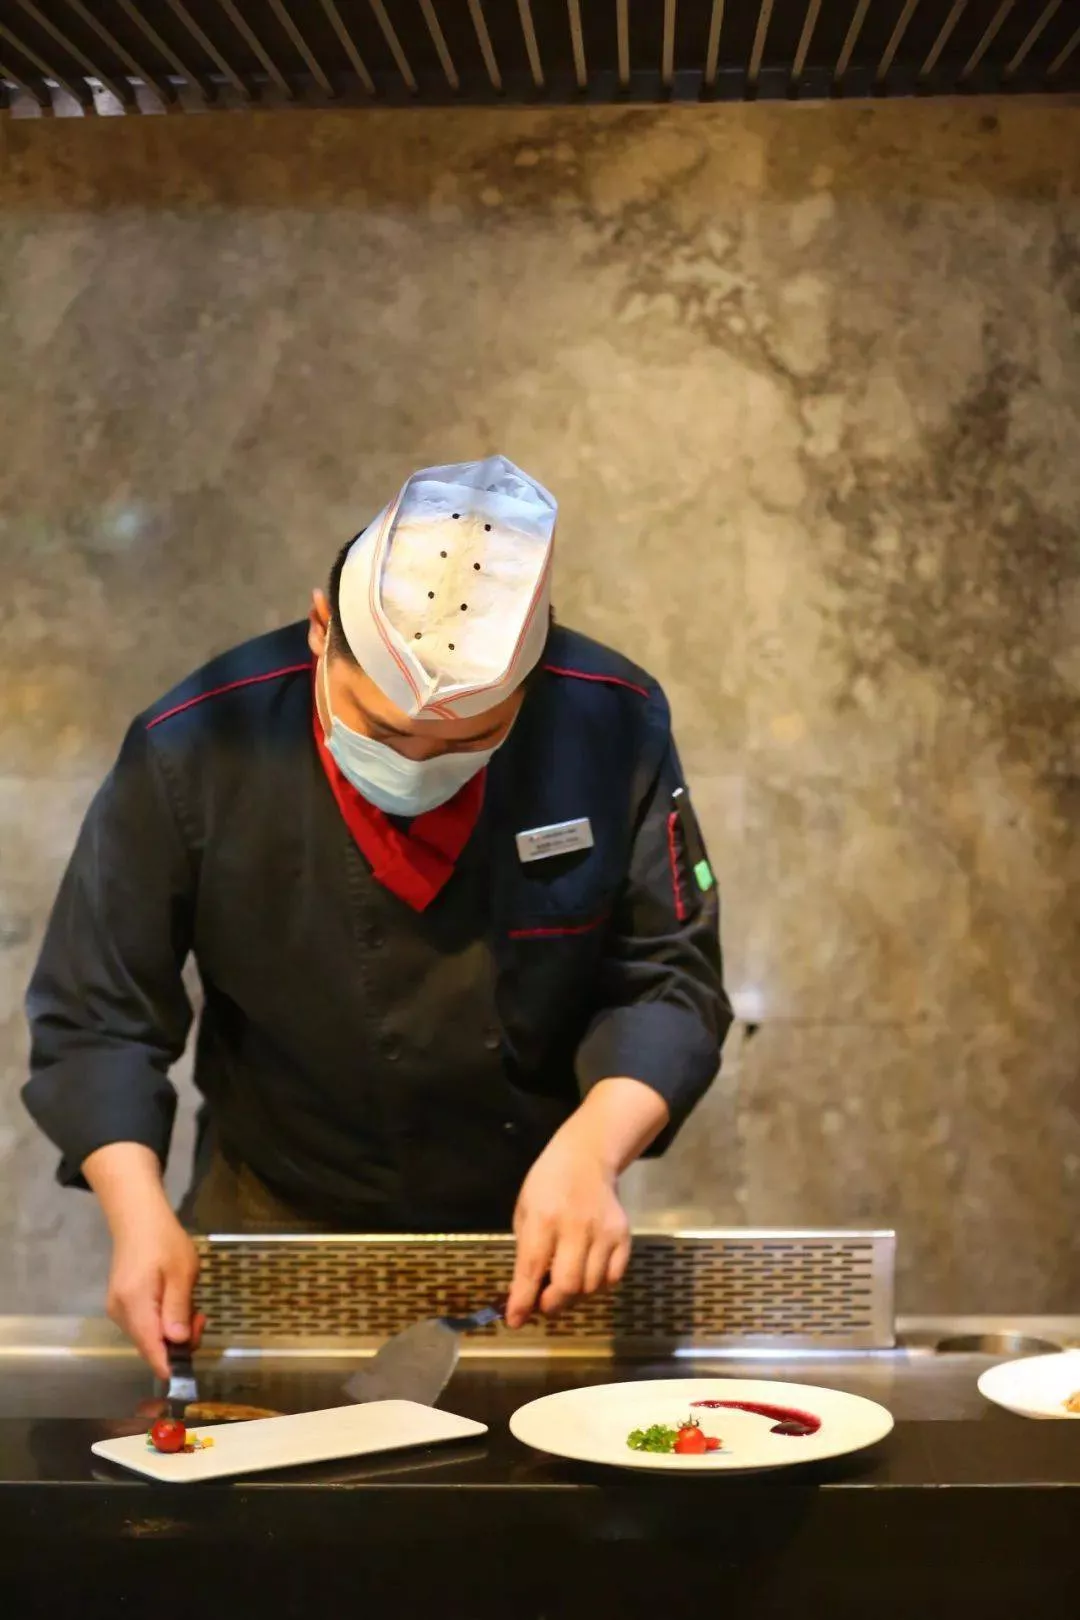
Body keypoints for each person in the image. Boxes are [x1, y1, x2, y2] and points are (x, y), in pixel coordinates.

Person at [23, 455, 730, 1378]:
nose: (420, 764)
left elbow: (670, 977)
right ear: (321, 629)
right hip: (277, 1221)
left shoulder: (610, 723)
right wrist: (137, 1213)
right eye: (386, 731)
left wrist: (595, 1152)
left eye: (470, 740)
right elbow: (97, 1012)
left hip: (533, 1228)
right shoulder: (195, 747)